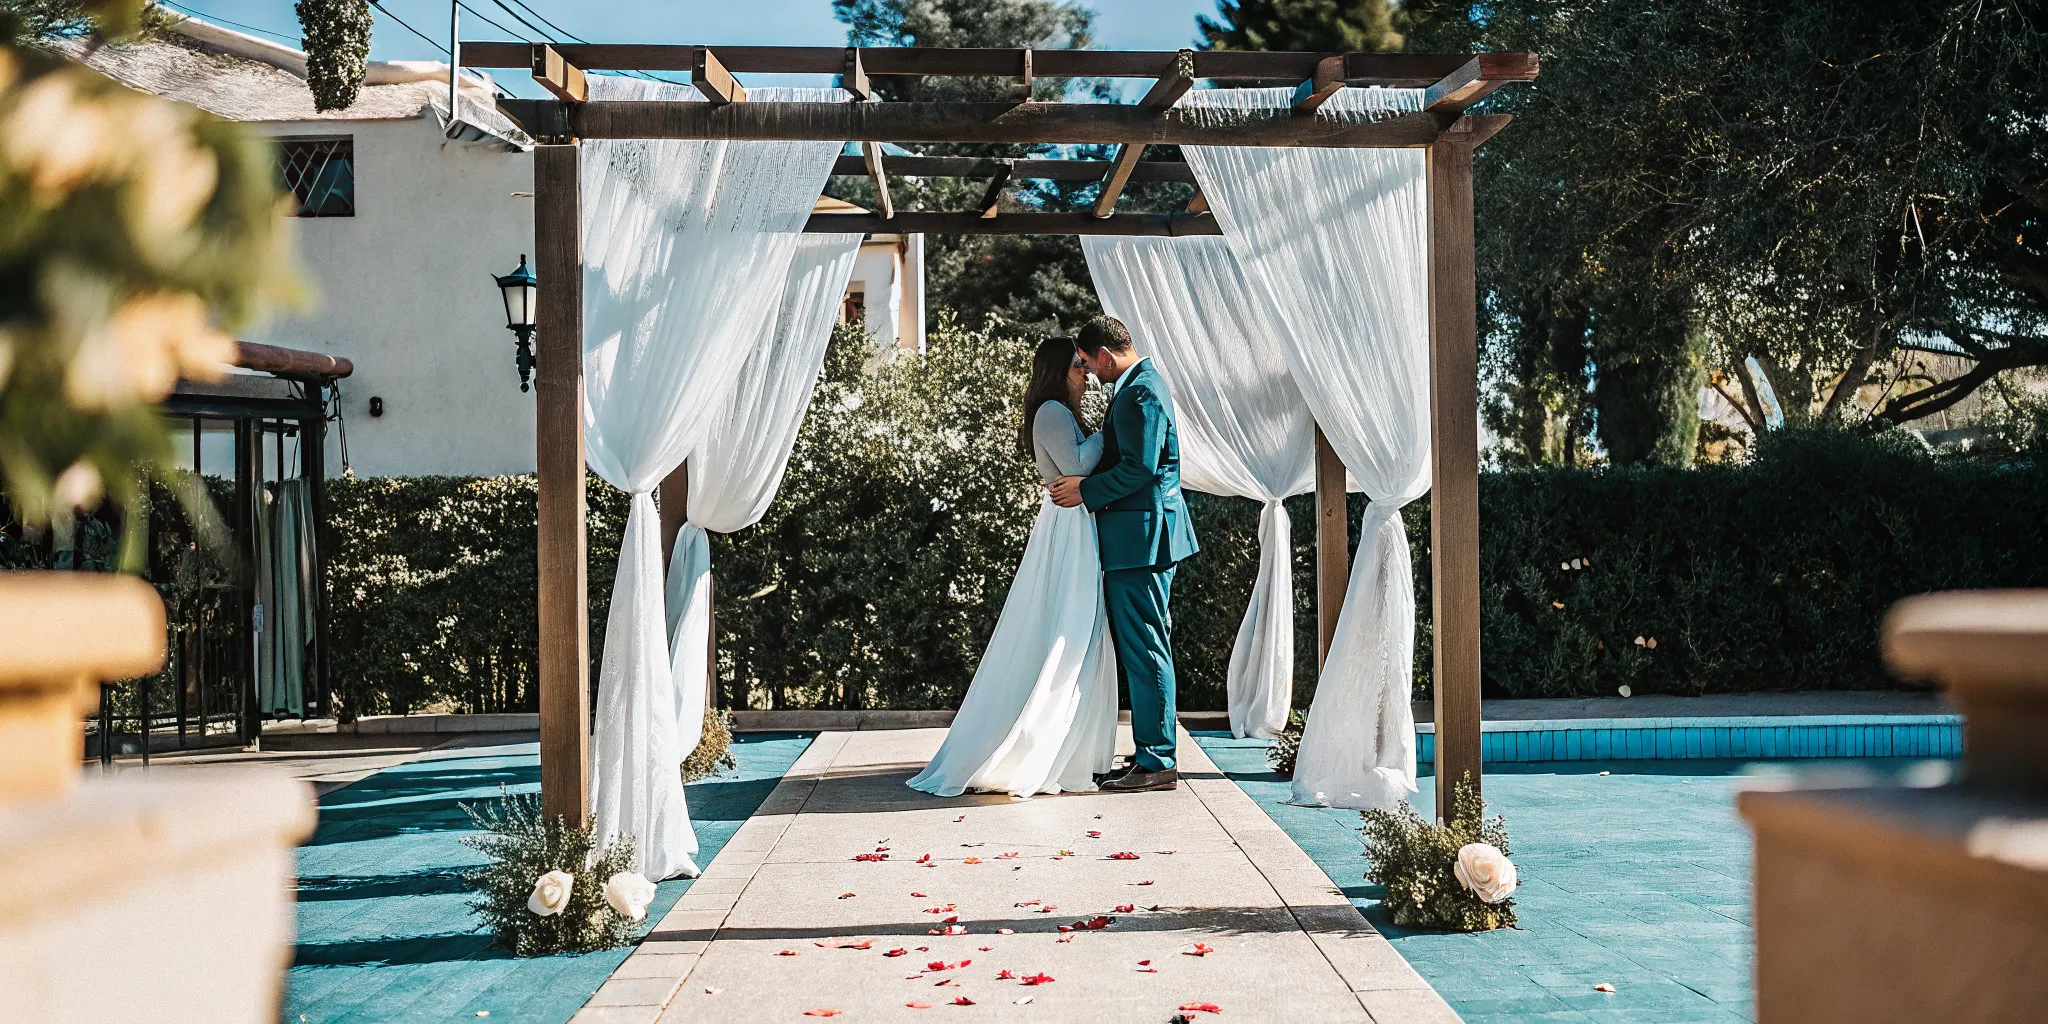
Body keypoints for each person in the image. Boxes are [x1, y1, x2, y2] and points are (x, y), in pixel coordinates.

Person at [906, 337, 1118, 798]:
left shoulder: (1059, 412)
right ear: (1057, 370)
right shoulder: (1052, 411)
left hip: (1074, 519)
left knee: (1079, 627)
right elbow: (1077, 465)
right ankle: (1044, 749)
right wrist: (1109, 429)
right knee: (1071, 625)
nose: (1085, 372)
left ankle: (1073, 749)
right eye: (1077, 365)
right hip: (1068, 524)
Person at [1049, 315, 1199, 793]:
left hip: (1142, 541)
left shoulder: (1140, 392)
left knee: (1145, 647)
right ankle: (1152, 751)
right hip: (1140, 538)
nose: (1091, 374)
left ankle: (1157, 760)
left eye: (1089, 364)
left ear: (1105, 355)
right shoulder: (1138, 386)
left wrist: (1085, 490)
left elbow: (1140, 468)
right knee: (1145, 645)